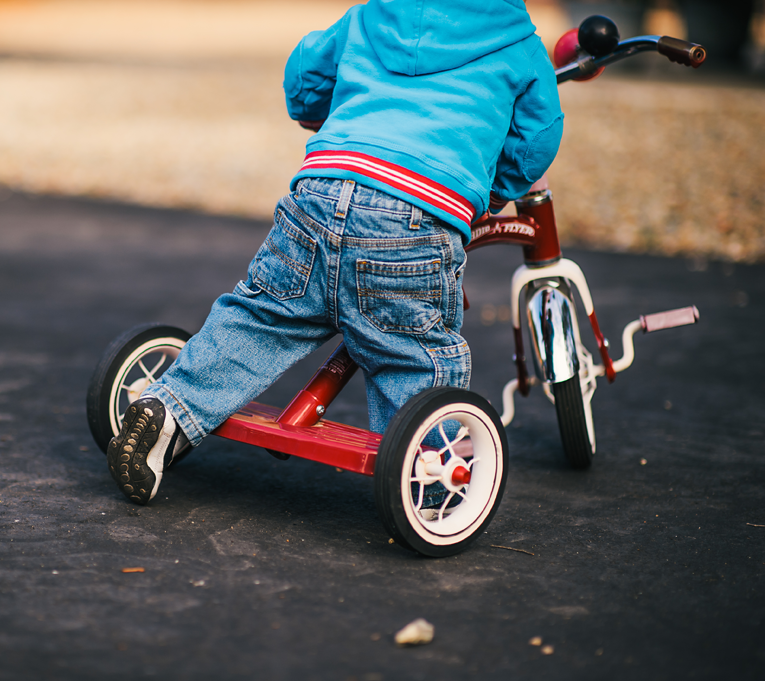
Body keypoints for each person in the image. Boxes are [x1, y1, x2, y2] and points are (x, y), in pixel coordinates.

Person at [106, 0, 563, 505]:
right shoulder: (520, 46)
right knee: (409, 355)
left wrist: (324, 114)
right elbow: (532, 145)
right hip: (414, 219)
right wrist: (487, 189)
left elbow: (306, 76)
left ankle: (170, 408)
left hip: (320, 192)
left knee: (263, 316)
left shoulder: (371, 16)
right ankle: (431, 490)